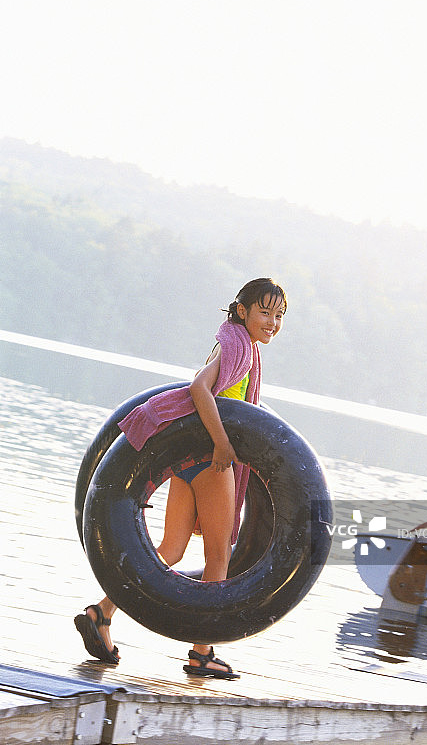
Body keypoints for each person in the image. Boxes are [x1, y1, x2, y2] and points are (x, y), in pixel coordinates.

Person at [75, 277, 287, 679]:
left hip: (186, 460)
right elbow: (200, 389)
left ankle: (101, 614)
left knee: (170, 549)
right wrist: (224, 444)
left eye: (279, 316)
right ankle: (203, 651)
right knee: (219, 555)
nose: (272, 322)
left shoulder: (234, 344)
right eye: (265, 312)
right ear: (242, 311)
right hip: (210, 459)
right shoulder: (239, 348)